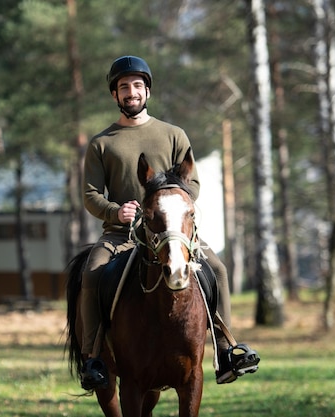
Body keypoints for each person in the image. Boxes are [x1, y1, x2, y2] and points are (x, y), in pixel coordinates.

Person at [79, 55, 260, 390]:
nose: (131, 92)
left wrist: (170, 200)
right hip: (121, 235)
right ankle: (93, 358)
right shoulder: (102, 143)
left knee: (217, 268)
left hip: (171, 232)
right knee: (91, 274)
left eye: (137, 85)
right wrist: (115, 211)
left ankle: (225, 348)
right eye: (123, 87)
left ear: (147, 91)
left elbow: (193, 183)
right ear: (114, 95)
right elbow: (90, 194)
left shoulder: (174, 134)